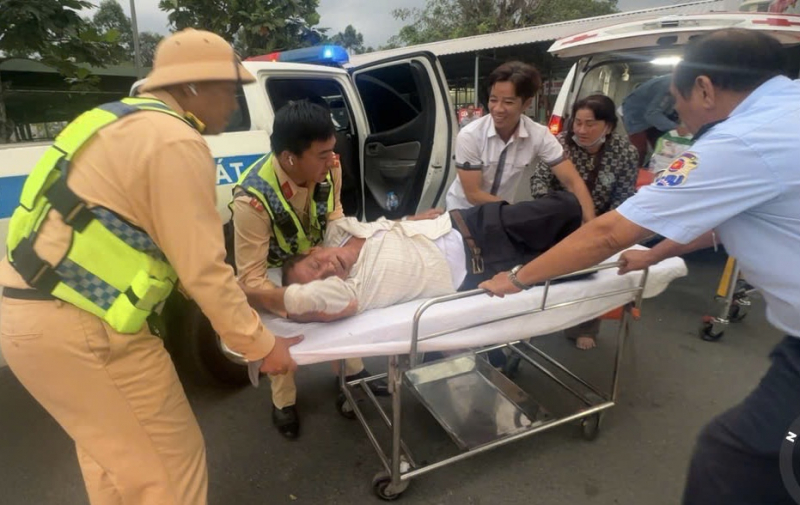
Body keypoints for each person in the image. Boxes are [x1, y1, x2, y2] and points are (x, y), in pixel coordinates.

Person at [479, 28, 800, 505]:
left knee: (733, 464)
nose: (680, 121)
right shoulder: (784, 113)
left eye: (678, 103)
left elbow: (607, 233)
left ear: (706, 89)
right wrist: (655, 253)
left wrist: (519, 279)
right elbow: (725, 213)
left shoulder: (740, 141)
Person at [0, 29, 302, 505]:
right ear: (192, 88)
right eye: (229, 90)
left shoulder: (106, 122)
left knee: (115, 463)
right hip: (87, 331)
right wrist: (261, 345)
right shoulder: (175, 141)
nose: (233, 103)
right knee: (169, 472)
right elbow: (203, 270)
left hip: (31, 318)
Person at [230, 100, 387, 439]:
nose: (332, 160)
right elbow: (252, 277)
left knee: (344, 308)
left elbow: (335, 217)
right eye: (322, 154)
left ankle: (351, 375)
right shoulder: (252, 200)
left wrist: (339, 259)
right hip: (274, 269)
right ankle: (284, 401)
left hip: (316, 253)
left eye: (333, 151)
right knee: (282, 332)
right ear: (289, 158)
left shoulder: (329, 168)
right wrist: (294, 302)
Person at [240, 192, 582, 321]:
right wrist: (245, 294)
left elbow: (382, 226)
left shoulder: (342, 231)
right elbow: (306, 299)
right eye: (325, 279)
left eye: (317, 264)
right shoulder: (354, 291)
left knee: (566, 207)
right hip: (488, 268)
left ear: (315, 250)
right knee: (579, 265)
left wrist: (408, 220)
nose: (329, 269)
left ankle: (616, 229)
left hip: (473, 223)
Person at [530, 94, 639, 350]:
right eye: (577, 123)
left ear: (608, 126)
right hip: (556, 218)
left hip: (600, 224)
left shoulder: (625, 152)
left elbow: (624, 196)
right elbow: (539, 179)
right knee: (541, 271)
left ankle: (584, 326)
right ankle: (535, 323)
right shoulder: (560, 144)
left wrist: (602, 228)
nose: (581, 130)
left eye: (590, 124)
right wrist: (550, 208)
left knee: (588, 279)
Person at [444, 61, 596, 224]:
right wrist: (518, 212)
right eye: (493, 100)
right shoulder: (470, 135)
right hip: (463, 216)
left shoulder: (538, 135)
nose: (498, 109)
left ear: (527, 103)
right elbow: (473, 194)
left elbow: (572, 181)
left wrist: (592, 227)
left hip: (501, 217)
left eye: (508, 102)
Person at [621, 74, 684, 166]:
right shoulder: (669, 86)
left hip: (655, 113)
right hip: (635, 114)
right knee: (639, 150)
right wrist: (676, 127)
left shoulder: (680, 84)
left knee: (663, 148)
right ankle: (631, 174)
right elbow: (652, 114)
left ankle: (658, 170)